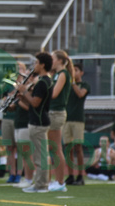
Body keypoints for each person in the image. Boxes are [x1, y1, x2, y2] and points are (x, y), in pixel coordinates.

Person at [18, 52, 53, 193]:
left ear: (42, 65)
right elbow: (33, 103)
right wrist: (23, 96)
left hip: (38, 122)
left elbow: (36, 103)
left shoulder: (42, 82)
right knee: (40, 155)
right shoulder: (45, 81)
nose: (34, 66)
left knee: (40, 156)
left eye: (36, 63)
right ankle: (39, 183)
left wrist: (24, 91)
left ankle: (41, 185)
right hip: (39, 121)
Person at [47, 50, 74, 192]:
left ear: (60, 60)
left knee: (56, 148)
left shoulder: (63, 74)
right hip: (53, 112)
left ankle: (60, 181)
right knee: (53, 148)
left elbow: (54, 94)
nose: (51, 60)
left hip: (56, 113)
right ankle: (56, 180)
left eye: (53, 58)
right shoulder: (57, 74)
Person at [63, 62, 90, 186]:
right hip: (66, 119)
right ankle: (70, 175)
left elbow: (80, 94)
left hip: (78, 119)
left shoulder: (85, 85)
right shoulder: (67, 85)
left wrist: (73, 82)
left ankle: (80, 175)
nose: (74, 72)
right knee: (68, 148)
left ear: (82, 72)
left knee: (78, 148)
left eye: (77, 70)